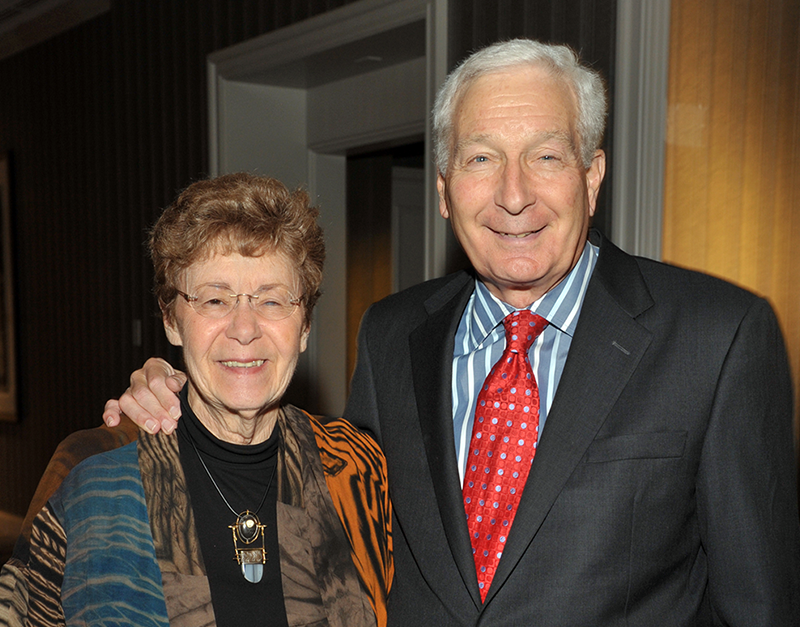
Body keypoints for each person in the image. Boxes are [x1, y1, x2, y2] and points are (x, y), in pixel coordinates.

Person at [104, 40, 800, 625]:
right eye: (481, 157)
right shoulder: (392, 332)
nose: (514, 193)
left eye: (547, 156)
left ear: (593, 177)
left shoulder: (719, 337)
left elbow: (758, 608)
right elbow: (336, 525)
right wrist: (187, 399)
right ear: (442, 190)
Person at [0, 173, 392, 627]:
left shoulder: (355, 465)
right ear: (171, 320)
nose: (244, 329)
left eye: (272, 301)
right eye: (213, 300)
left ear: (304, 326)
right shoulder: (94, 475)